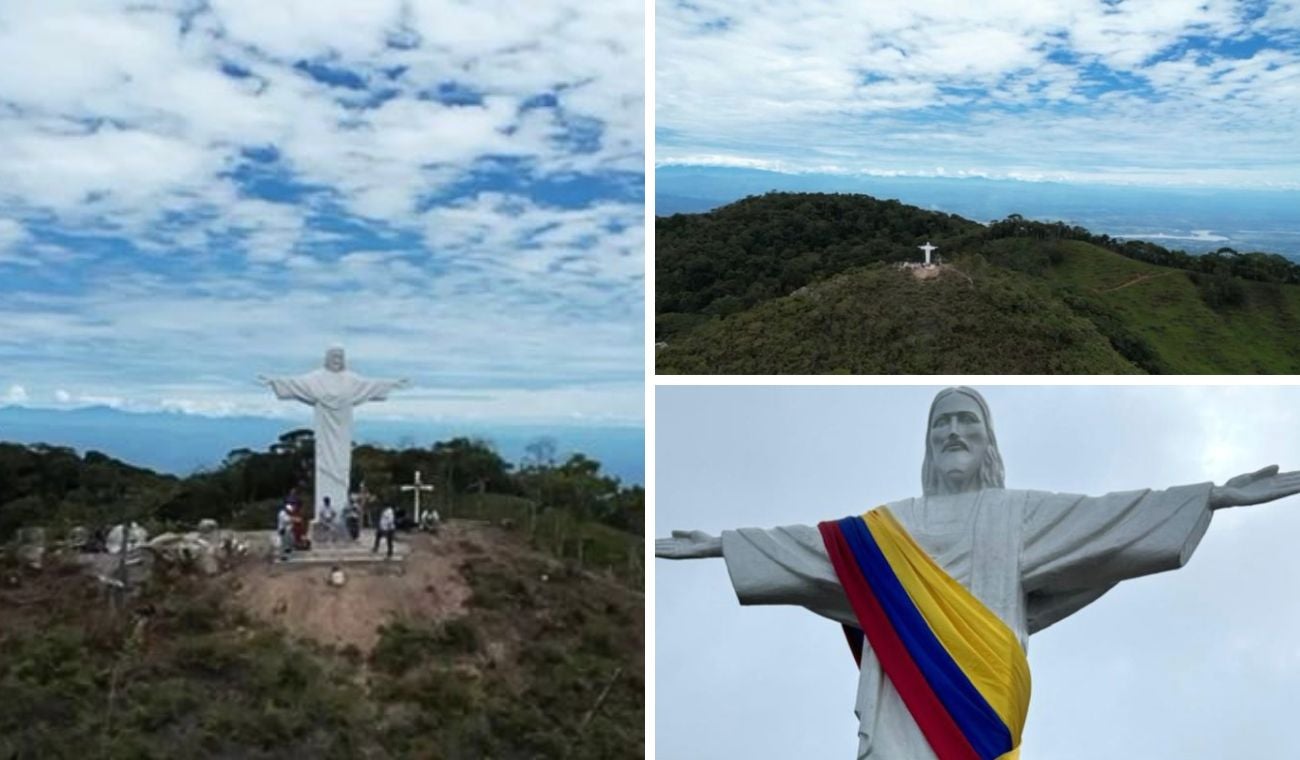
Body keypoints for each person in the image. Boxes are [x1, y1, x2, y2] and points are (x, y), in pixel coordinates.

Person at [657, 387, 1300, 760]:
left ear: (988, 441)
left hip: (986, 683)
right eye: (943, 423)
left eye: (968, 421)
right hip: (903, 697)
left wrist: (1212, 495)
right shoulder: (888, 527)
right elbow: (812, 553)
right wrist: (721, 545)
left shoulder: (1017, 513)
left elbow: (1111, 519)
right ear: (928, 442)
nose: (954, 432)